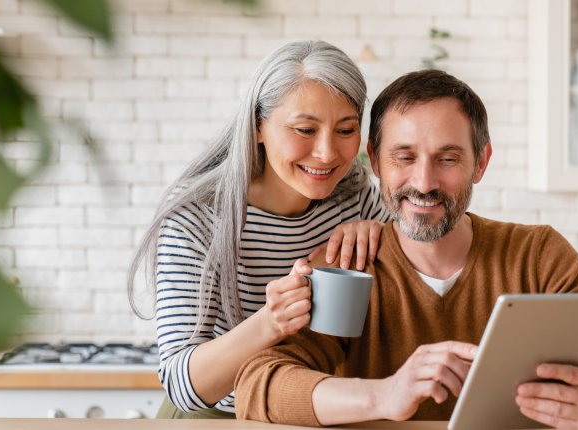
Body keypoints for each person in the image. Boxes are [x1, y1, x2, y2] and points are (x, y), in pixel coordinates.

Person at [235, 69, 578, 428]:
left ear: (481, 163)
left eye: (447, 159)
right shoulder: (347, 264)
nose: (424, 182)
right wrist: (385, 394)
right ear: (376, 163)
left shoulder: (537, 255)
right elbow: (259, 385)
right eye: (404, 157)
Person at [127, 40, 390, 418]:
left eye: (345, 130)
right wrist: (270, 322)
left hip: (310, 410)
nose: (327, 153)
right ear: (257, 127)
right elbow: (182, 385)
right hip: (218, 415)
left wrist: (382, 235)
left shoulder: (355, 197)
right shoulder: (199, 216)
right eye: (304, 129)